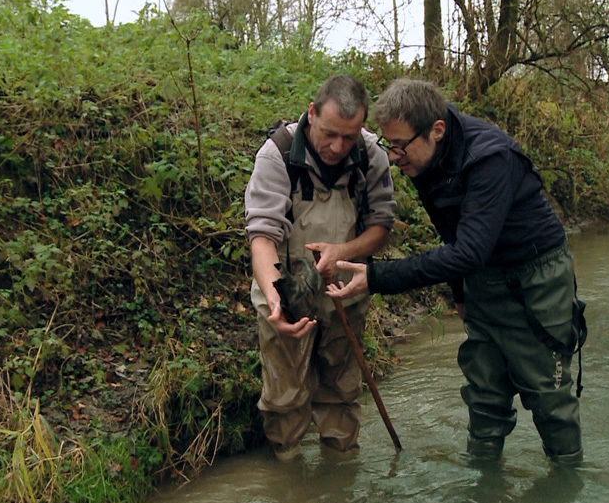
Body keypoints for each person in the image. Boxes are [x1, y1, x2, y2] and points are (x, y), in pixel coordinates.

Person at [326, 78, 585, 463]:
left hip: (537, 277)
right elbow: (453, 234)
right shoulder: (424, 158)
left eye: (399, 145)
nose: (393, 157)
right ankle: (482, 492)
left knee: (548, 396)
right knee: (484, 393)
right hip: (481, 276)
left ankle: (566, 481)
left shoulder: (490, 159)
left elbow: (467, 252)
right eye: (388, 144)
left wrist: (376, 277)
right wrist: (461, 295)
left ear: (437, 129)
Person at [245, 75, 395, 460]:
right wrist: (277, 301)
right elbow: (262, 237)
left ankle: (339, 477)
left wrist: (342, 249)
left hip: (345, 291)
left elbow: (380, 227)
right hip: (286, 289)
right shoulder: (276, 154)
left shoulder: (372, 155)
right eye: (329, 134)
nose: (337, 146)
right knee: (285, 399)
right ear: (311, 113)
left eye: (349, 137)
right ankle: (288, 473)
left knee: (342, 395)